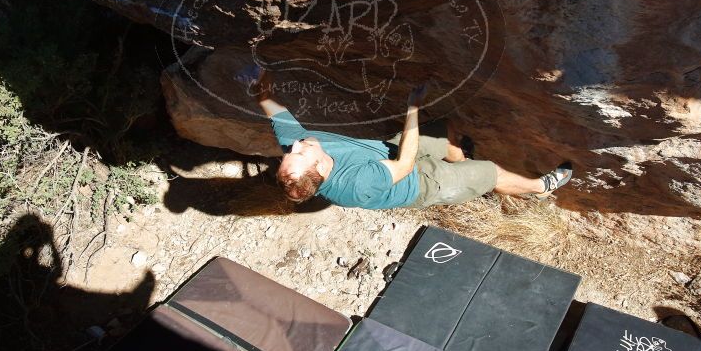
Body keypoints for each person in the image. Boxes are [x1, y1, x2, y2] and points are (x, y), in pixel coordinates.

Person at [240, 68, 572, 208]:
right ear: (319, 167)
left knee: (446, 131)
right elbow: (406, 162)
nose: (295, 145)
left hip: (392, 154)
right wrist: (412, 107)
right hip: (420, 183)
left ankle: (463, 166)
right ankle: (540, 189)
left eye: (293, 150)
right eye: (299, 151)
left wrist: (260, 92)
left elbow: (278, 115)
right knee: (491, 172)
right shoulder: (355, 185)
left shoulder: (300, 150)